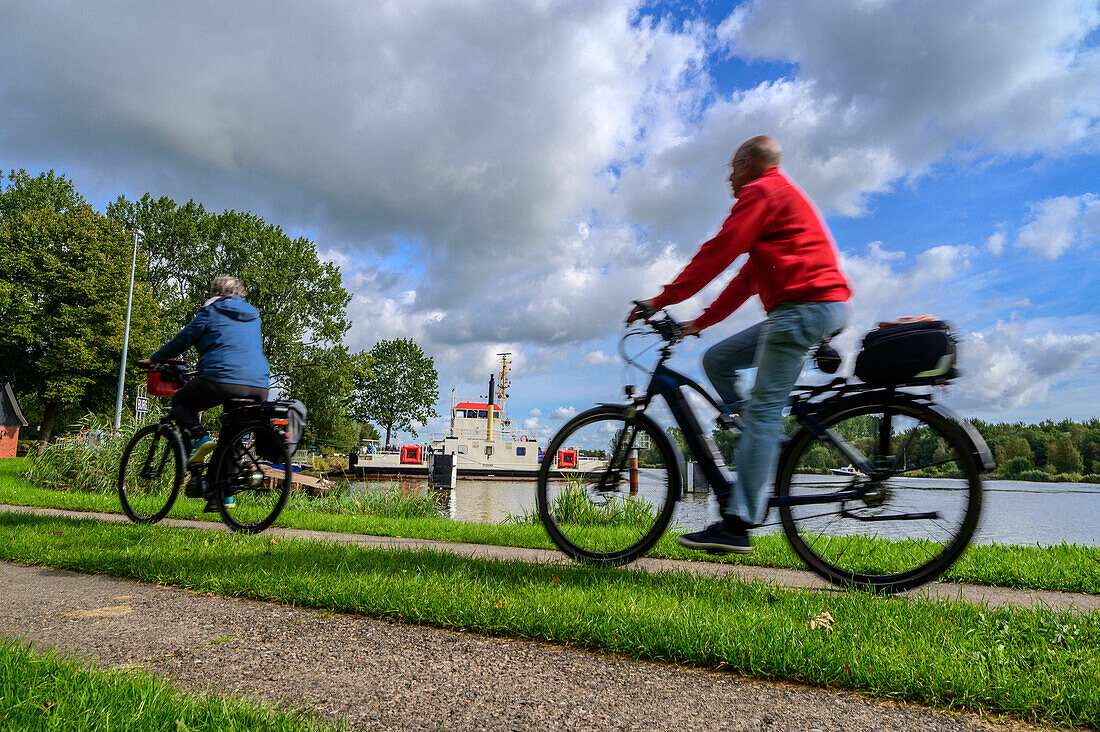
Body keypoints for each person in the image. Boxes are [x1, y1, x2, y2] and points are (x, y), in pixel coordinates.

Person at [626, 135, 851, 554]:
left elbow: (719, 251)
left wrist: (662, 298)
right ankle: (761, 439)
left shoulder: (762, 191)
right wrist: (697, 323)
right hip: (812, 309)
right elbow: (745, 280)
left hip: (801, 310)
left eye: (732, 167)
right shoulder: (779, 201)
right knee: (719, 359)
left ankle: (737, 522)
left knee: (766, 411)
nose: (729, 176)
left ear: (748, 163)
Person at [140, 276, 270, 512]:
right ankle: (222, 494)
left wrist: (155, 359)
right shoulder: (253, 317)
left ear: (216, 292)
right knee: (232, 435)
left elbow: (184, 338)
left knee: (181, 400)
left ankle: (200, 438)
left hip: (222, 378)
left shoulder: (212, 311)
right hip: (259, 385)